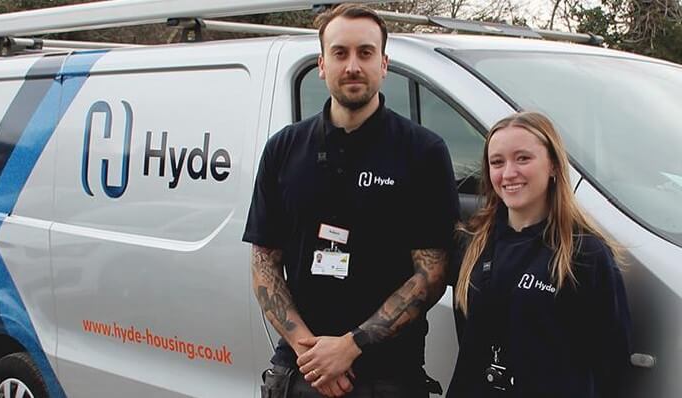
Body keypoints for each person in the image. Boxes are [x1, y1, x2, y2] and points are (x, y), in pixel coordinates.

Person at [242, 3, 459, 397]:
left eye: (365, 52)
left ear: (384, 63)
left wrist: (350, 346)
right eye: (340, 53)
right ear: (322, 64)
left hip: (387, 377)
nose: (353, 66)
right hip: (299, 372)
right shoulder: (284, 149)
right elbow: (263, 264)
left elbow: (433, 274)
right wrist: (312, 353)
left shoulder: (423, 152)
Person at [447, 112, 632, 398]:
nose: (508, 173)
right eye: (497, 162)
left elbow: (611, 359)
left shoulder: (585, 254)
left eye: (523, 158)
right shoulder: (473, 244)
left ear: (554, 166)